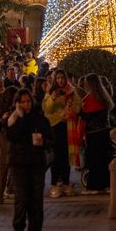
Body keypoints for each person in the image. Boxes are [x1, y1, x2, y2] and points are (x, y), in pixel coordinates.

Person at [5, 89, 52, 231]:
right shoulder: (14, 119)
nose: (26, 105)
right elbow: (12, 135)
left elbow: (50, 137)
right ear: (18, 103)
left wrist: (43, 141)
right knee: (22, 197)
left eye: (28, 101)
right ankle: (18, 225)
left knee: (36, 200)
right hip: (19, 163)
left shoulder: (39, 118)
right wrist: (21, 117)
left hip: (36, 162)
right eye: (23, 102)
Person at [41, 69, 81, 197]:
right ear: (54, 80)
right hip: (55, 126)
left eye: (62, 78)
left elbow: (78, 104)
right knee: (56, 156)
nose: (60, 80)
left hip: (67, 125)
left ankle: (66, 182)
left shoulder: (71, 91)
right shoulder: (50, 92)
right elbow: (46, 109)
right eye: (58, 78)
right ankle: (55, 183)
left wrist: (71, 110)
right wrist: (52, 99)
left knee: (66, 155)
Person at [80, 74, 114, 194]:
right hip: (104, 131)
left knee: (94, 160)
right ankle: (106, 184)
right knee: (103, 159)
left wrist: (78, 112)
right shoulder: (102, 97)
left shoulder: (90, 99)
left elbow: (87, 116)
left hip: (93, 133)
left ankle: (94, 186)